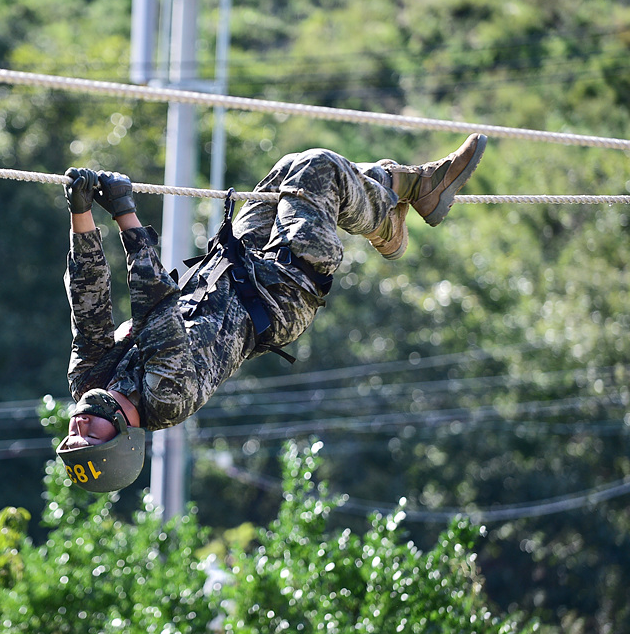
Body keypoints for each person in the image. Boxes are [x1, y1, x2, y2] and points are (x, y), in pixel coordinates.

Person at [56, 134, 487, 491]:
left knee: (288, 168)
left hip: (233, 265)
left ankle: (390, 214)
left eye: (72, 434)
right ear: (124, 440)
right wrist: (124, 213)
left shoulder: (89, 380)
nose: (80, 424)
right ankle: (408, 192)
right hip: (282, 292)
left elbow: (88, 304)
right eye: (91, 436)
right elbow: (156, 307)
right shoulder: (166, 401)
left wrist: (80, 213)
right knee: (319, 169)